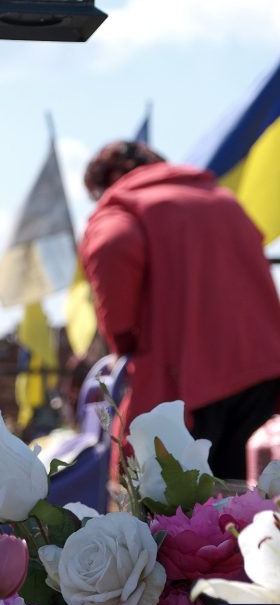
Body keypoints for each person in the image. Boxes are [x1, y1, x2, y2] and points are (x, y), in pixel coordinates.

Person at [80, 140, 280, 479]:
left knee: (166, 493)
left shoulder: (123, 206)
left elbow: (113, 246)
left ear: (111, 178)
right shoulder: (223, 199)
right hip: (261, 369)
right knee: (244, 492)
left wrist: (122, 339)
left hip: (189, 376)